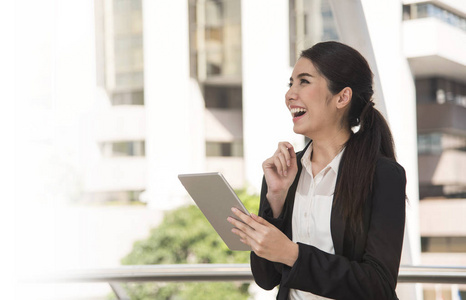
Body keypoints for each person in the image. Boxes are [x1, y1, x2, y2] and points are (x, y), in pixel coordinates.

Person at [227, 41, 406, 300]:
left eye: (304, 82)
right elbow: (266, 279)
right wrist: (275, 199)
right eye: (291, 84)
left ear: (342, 97)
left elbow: (378, 285)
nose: (290, 95)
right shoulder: (283, 173)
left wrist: (292, 253)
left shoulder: (383, 175)